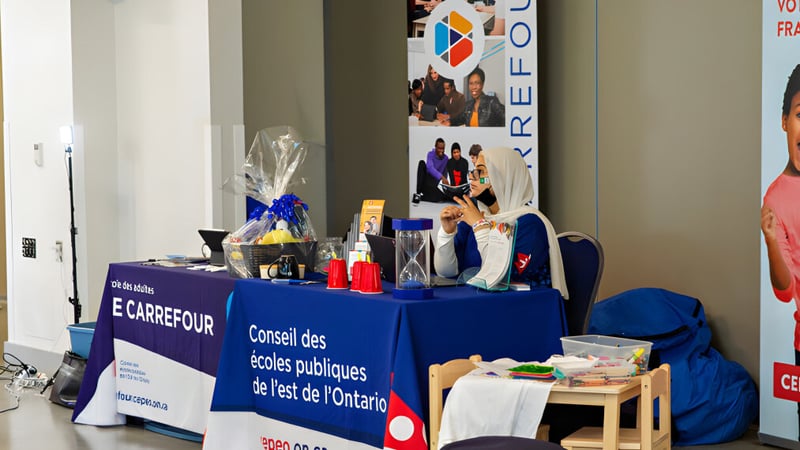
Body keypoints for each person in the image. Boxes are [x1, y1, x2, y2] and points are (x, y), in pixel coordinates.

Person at [434, 146, 567, 295]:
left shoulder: (530, 224)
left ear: (503, 177)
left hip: (518, 309)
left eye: (481, 171)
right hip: (476, 302)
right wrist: (446, 233)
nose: (471, 176)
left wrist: (479, 226)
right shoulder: (477, 214)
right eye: (473, 171)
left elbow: (498, 277)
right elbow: (446, 273)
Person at [762, 63, 800, 439]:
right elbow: (784, 289)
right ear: (785, 121)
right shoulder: (777, 197)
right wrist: (773, 241)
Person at [414, 137, 449, 203]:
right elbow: (430, 168)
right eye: (439, 148)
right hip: (427, 179)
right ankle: (418, 193)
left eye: (443, 148)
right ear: (435, 147)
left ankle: (424, 197)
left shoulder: (446, 158)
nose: (441, 150)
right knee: (421, 163)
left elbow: (445, 173)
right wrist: (441, 176)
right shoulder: (430, 154)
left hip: (434, 183)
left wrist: (445, 184)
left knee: (440, 198)